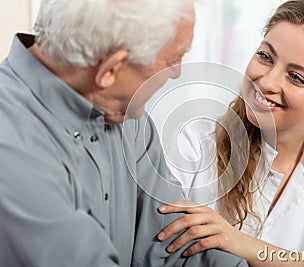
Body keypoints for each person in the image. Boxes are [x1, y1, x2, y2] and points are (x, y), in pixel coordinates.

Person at [0, 0, 248, 266]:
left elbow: (181, 238)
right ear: (110, 71)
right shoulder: (11, 144)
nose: (176, 72)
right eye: (172, 58)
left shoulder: (128, 117)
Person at [158, 0, 304, 266]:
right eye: (265, 57)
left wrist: (237, 242)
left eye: (296, 77)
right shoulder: (193, 139)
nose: (267, 82)